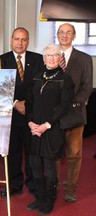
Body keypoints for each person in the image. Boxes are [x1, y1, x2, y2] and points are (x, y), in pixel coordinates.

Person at [0, 27, 45, 198]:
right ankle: (14, 185)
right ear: (11, 40)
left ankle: (33, 184)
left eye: (24, 39)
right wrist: (16, 103)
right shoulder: (1, 60)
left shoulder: (38, 60)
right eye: (17, 39)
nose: (20, 43)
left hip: (32, 114)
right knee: (13, 152)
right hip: (11, 115)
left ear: (28, 41)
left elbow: (41, 87)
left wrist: (27, 104)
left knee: (32, 152)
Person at [25, 44, 74, 214]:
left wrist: (46, 125)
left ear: (60, 58)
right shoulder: (37, 77)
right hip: (34, 128)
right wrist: (31, 123)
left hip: (51, 128)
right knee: (34, 164)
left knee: (49, 165)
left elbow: (64, 106)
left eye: (55, 55)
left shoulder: (65, 79)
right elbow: (29, 102)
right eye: (48, 55)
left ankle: (49, 199)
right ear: (44, 58)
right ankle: (39, 197)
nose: (51, 58)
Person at [56, 23, 93, 202]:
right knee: (53, 154)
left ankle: (71, 188)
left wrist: (68, 104)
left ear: (74, 36)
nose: (64, 35)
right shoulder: (49, 56)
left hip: (75, 114)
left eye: (68, 32)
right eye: (61, 32)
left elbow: (86, 87)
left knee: (75, 155)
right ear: (57, 34)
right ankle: (52, 185)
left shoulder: (84, 59)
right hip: (53, 117)